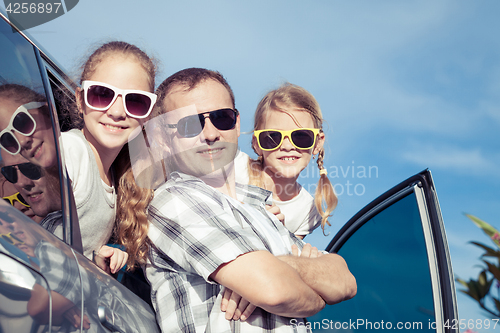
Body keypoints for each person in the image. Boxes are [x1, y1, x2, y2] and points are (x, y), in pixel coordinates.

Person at [136, 68, 356, 332]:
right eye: (189, 125)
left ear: (237, 123)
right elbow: (275, 290)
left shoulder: (262, 209)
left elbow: (344, 280)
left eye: (222, 118)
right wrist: (311, 289)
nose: (210, 133)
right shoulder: (173, 201)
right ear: (163, 139)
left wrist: (281, 266)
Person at [62, 41, 157, 272]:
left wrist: (94, 261)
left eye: (135, 101)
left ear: (148, 114)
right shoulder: (70, 151)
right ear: (80, 99)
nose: (116, 112)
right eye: (102, 94)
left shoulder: (119, 182)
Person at [234, 83, 337, 239]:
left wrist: (278, 235)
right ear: (257, 144)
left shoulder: (308, 211)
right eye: (273, 137)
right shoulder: (235, 168)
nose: (287, 146)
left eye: (301, 136)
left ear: (317, 143)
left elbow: (288, 258)